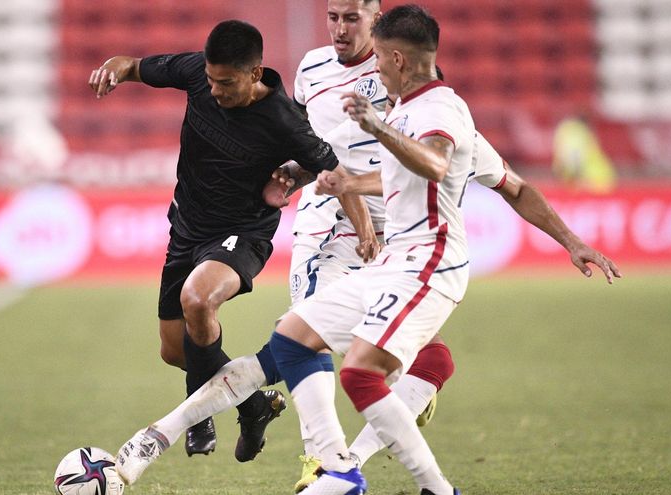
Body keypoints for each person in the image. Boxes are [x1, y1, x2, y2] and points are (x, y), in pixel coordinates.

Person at [112, 5, 620, 495]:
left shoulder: (435, 115)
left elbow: (445, 167)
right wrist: (317, 175)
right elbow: (350, 162)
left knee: (353, 367)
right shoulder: (353, 95)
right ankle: (334, 463)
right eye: (333, 17)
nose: (369, 68)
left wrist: (357, 151)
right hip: (360, 245)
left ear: (395, 56)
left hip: (421, 260)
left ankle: (338, 467)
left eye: (376, 54)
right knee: (294, 342)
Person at [88, 19, 377, 463]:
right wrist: (113, 68)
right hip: (186, 226)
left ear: (255, 73)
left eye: (226, 83)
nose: (215, 91)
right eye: (210, 80)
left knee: (199, 300)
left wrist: (366, 234)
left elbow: (335, 174)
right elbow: (135, 66)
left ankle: (195, 412)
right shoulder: (196, 72)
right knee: (174, 349)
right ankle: (253, 406)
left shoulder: (284, 120)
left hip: (242, 232)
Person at [286, 1, 455, 489]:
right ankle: (321, 459)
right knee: (305, 328)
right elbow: (311, 146)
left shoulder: (401, 72)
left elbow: (425, 154)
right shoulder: (310, 69)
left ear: (375, 18)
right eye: (332, 17)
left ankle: (403, 386)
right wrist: (292, 173)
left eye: (351, 18)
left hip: (395, 222)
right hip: (326, 213)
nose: (340, 28)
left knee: (397, 347)